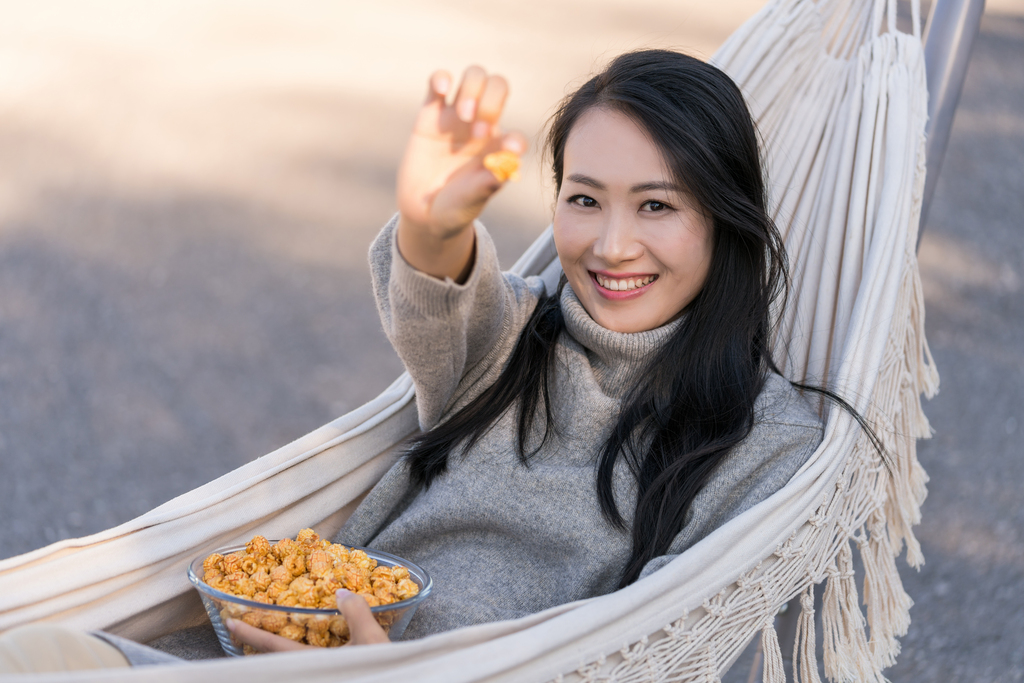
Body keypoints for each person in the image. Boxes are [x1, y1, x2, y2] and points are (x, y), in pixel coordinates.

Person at [0, 49, 824, 669]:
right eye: (583, 198)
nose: (612, 245)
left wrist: (388, 672)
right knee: (30, 653)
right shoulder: (514, 339)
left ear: (723, 219)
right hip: (260, 651)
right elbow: (440, 294)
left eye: (657, 205)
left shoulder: (766, 442)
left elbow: (663, 650)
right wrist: (432, 222)